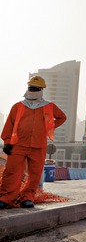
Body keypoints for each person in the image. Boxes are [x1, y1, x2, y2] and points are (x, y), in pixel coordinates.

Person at [0, 76, 66, 209]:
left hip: (38, 146)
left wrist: (48, 127)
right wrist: (7, 142)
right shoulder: (18, 106)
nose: (32, 90)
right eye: (30, 87)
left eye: (35, 88)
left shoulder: (49, 106)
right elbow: (9, 125)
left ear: (41, 90)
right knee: (11, 172)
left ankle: (27, 197)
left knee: (35, 174)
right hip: (17, 145)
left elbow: (62, 117)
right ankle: (6, 197)